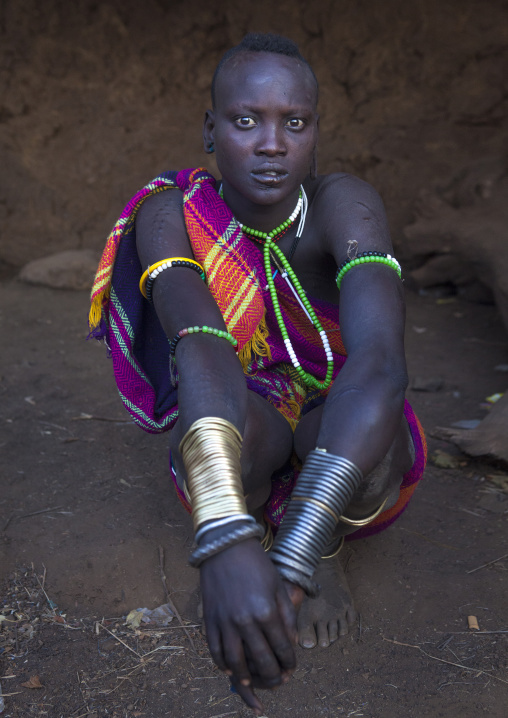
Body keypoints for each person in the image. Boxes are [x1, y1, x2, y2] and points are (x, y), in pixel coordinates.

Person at [89, 33, 426, 716]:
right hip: (249, 399)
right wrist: (221, 538)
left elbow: (381, 362)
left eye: (294, 123)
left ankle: (315, 539)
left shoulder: (343, 204)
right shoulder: (171, 217)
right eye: (246, 121)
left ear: (314, 132)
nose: (272, 143)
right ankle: (247, 527)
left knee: (378, 443)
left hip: (342, 406)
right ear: (210, 130)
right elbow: (203, 348)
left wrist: (297, 559)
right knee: (209, 442)